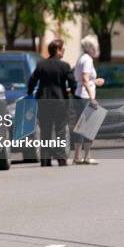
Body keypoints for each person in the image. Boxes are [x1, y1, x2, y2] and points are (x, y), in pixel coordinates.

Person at [27, 39, 77, 167]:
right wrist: (72, 91)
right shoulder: (64, 66)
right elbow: (72, 82)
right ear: (57, 50)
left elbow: (32, 81)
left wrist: (29, 92)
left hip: (43, 101)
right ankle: (61, 158)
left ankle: (45, 159)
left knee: (45, 130)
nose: (64, 51)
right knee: (60, 130)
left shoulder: (41, 64)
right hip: (60, 102)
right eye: (63, 49)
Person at [70, 35, 104, 165]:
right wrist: (92, 98)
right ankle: (87, 156)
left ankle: (78, 156)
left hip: (79, 95)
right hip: (85, 97)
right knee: (89, 127)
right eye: (96, 45)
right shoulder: (88, 59)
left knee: (81, 126)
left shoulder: (82, 58)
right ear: (90, 47)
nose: (97, 48)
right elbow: (84, 79)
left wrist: (95, 81)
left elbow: (84, 79)